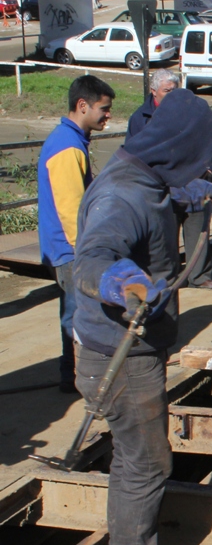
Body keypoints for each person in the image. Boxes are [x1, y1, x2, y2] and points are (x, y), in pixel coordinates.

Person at [73, 89, 212, 545]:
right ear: (178, 147)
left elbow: (154, 200)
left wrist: (187, 196)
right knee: (146, 462)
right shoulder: (122, 196)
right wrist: (124, 282)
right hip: (120, 358)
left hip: (133, 353)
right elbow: (93, 256)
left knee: (134, 457)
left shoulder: (144, 178)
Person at [37, 75, 114, 394]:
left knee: (73, 314)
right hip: (71, 251)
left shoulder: (68, 141)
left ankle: (72, 374)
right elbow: (72, 210)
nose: (108, 115)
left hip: (65, 248)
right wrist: (87, 252)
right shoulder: (67, 148)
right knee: (80, 316)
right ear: (83, 106)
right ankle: (78, 377)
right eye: (104, 109)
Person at [126, 69, 212, 290]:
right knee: (165, 235)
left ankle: (199, 276)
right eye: (166, 91)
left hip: (193, 182)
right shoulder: (140, 118)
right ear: (153, 92)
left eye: (175, 90)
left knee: (198, 229)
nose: (171, 95)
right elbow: (134, 154)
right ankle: (170, 276)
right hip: (162, 187)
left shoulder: (193, 113)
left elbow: (211, 139)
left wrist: (208, 169)